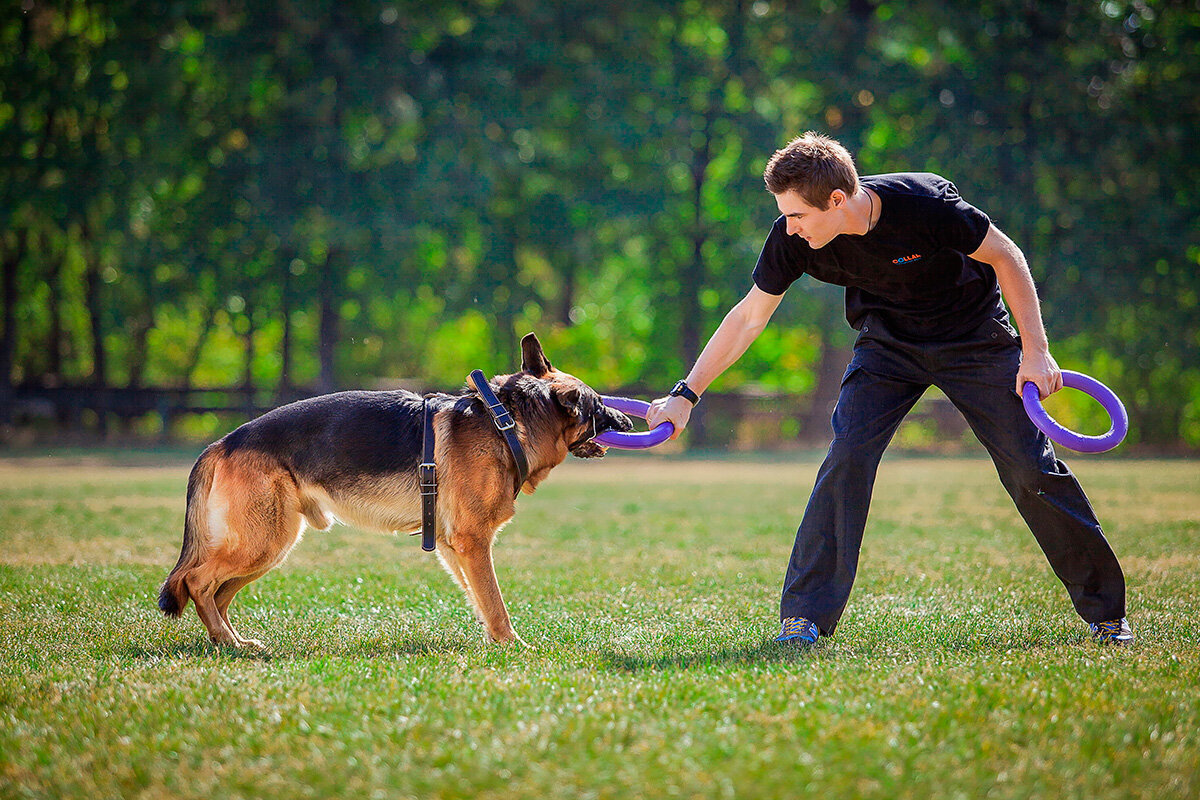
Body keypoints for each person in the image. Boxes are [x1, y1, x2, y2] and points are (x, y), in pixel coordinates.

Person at [646, 132, 1133, 646]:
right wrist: (686, 394)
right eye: (785, 215)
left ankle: (1106, 613)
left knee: (1028, 465)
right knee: (848, 455)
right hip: (887, 345)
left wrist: (1035, 349)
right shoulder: (793, 239)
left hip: (973, 337)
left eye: (798, 215)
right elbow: (749, 317)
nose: (789, 227)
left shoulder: (924, 204)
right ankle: (805, 616)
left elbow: (1006, 256)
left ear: (837, 200)